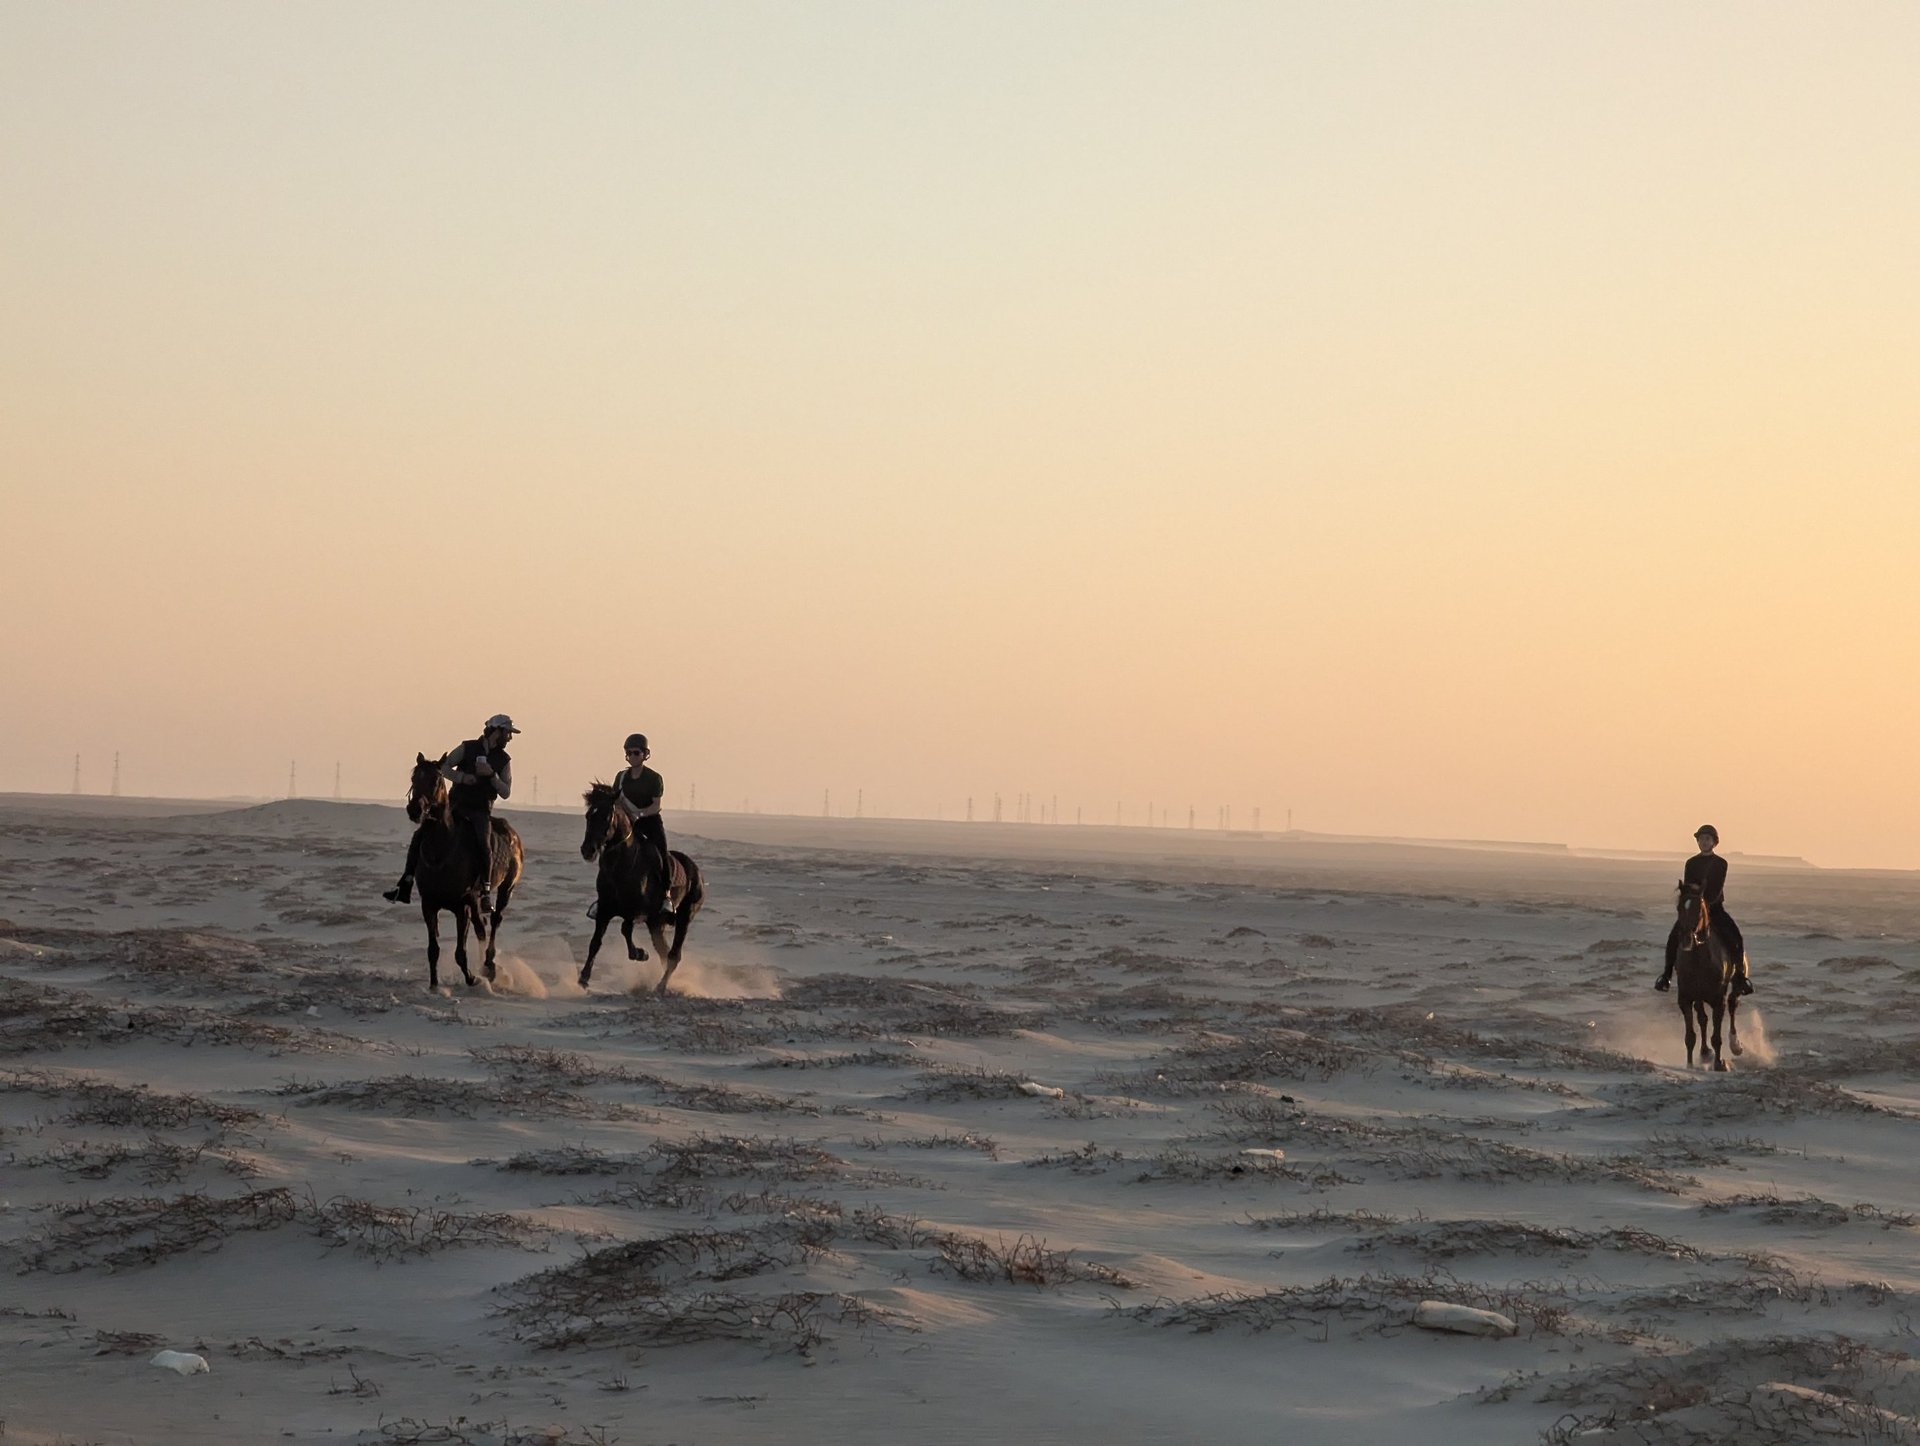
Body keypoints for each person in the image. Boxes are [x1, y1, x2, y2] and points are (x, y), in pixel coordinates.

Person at [383, 714, 519, 908]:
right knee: (421, 835)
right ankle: (405, 883)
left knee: (484, 842)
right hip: (456, 805)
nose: (509, 738)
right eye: (507, 733)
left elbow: (506, 792)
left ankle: (486, 891)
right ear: (496, 731)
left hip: (480, 810)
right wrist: (463, 778)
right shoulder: (467, 748)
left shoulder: (504, 760)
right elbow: (444, 768)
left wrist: (491, 775)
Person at [1655, 824, 1752, 995]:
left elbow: (1716, 889)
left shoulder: (1721, 863)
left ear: (1714, 842)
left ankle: (1740, 977)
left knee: (1735, 937)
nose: (1704, 842)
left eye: (1707, 839)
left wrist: (1704, 904)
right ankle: (1666, 976)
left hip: (1714, 908)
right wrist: (1693, 905)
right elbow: (1688, 887)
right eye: (1701, 839)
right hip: (1694, 910)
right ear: (1698, 842)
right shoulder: (1691, 863)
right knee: (1673, 937)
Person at [612, 733, 672, 902]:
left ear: (645, 754)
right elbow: (616, 801)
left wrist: (640, 814)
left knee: (660, 853)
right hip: (627, 821)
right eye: (629, 753)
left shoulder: (654, 778)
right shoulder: (621, 777)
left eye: (636, 752)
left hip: (649, 821)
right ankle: (605, 896)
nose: (632, 756)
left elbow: (656, 805)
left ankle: (666, 893)